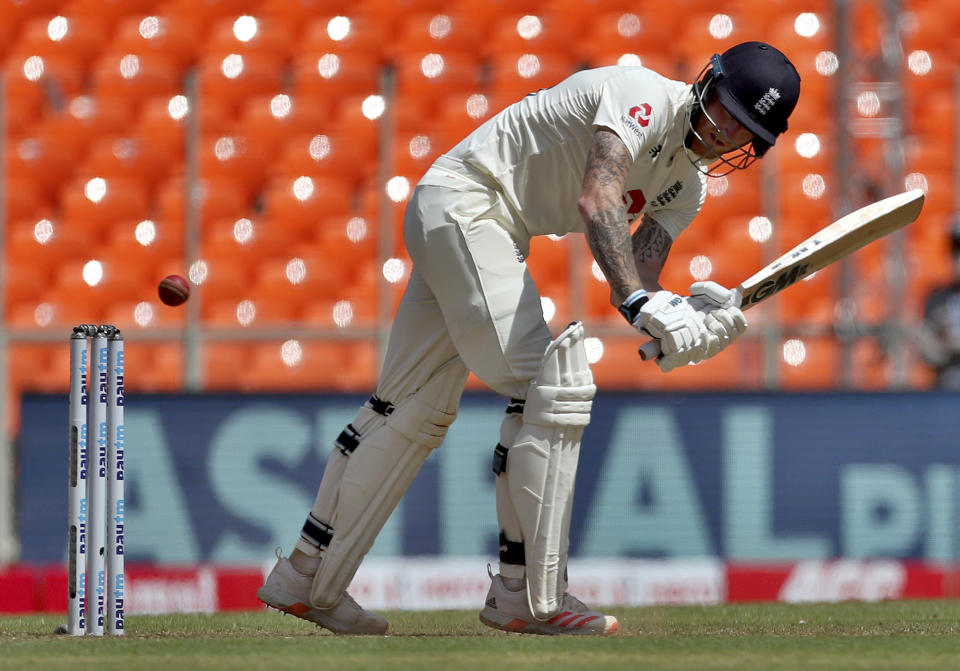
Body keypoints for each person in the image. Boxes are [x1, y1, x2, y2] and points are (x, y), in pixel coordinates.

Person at [257, 41, 801, 635]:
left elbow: (637, 277)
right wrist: (646, 305)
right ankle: (529, 596)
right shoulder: (641, 96)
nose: (725, 135)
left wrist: (692, 316)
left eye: (744, 133)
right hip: (469, 201)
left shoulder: (688, 187)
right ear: (707, 83)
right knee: (551, 386)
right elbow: (599, 201)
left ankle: (306, 576)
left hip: (477, 222)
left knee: (409, 408)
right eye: (725, 111)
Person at [919, 219, 960, 389]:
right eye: (956, 251)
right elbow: (927, 351)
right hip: (948, 384)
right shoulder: (936, 300)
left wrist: (952, 341)